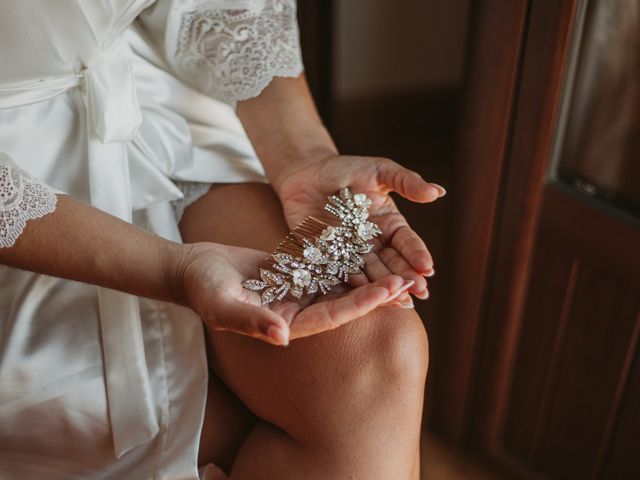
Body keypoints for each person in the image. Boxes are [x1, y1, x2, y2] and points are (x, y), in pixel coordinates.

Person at [0, 1, 445, 478]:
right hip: (21, 191)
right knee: (119, 417)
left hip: (154, 114)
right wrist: (172, 269)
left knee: (375, 348)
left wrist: (302, 154)